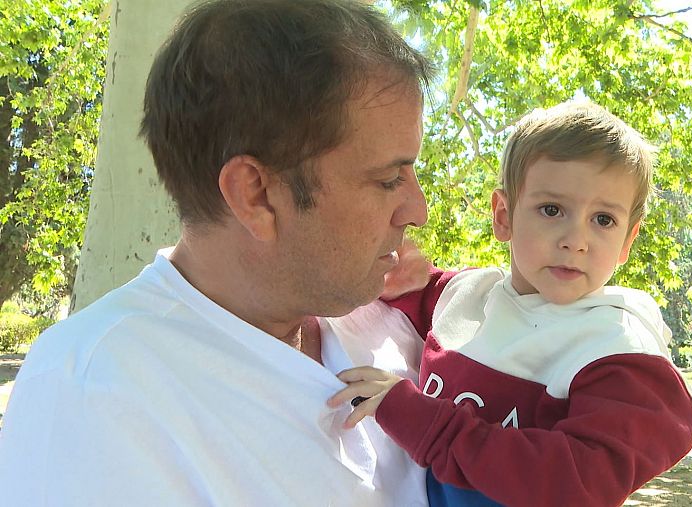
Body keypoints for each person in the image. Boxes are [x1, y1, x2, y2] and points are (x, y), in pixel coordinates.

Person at [0, 0, 435, 505]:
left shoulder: (396, 322)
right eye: (389, 179)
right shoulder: (92, 392)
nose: (418, 210)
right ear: (255, 194)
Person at [329, 102, 692, 506]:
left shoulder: (618, 350)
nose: (576, 240)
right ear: (504, 216)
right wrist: (400, 279)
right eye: (552, 210)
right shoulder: (468, 295)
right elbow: (423, 293)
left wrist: (424, 422)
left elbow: (574, 485)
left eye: (603, 220)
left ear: (628, 240)